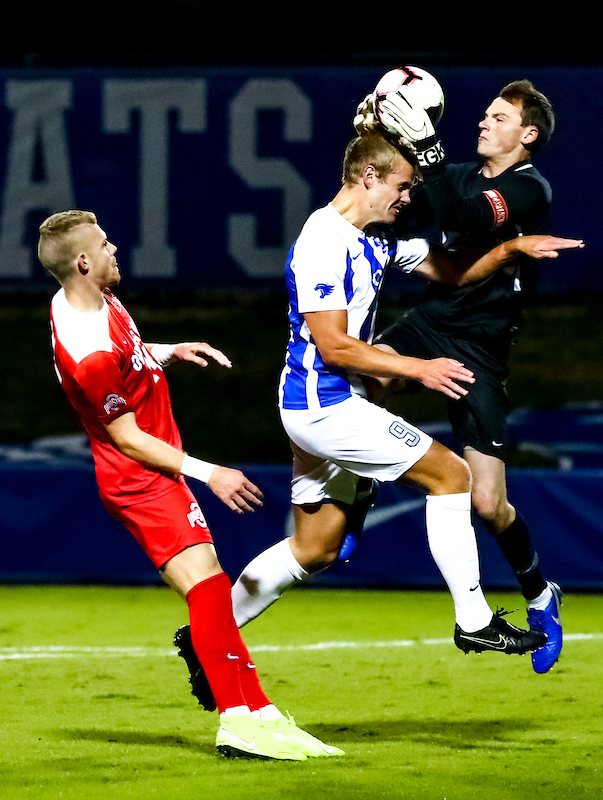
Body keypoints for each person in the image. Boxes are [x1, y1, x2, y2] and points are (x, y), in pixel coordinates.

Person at [217, 122, 581, 655]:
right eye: (403, 187)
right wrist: (420, 368)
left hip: (322, 402)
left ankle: (209, 635)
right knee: (453, 477)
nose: (409, 198)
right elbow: (336, 347)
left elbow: (452, 272)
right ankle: (475, 621)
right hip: (324, 405)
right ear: (369, 178)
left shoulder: (375, 237)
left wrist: (508, 252)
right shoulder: (323, 241)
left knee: (313, 548)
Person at [39, 209, 341, 761]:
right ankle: (239, 720)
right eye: (105, 245)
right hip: (140, 478)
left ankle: (260, 714)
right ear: (82, 262)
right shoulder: (88, 353)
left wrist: (167, 351)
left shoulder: (80, 303)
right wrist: (210, 472)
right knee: (208, 592)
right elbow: (127, 437)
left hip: (149, 474)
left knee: (212, 592)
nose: (115, 250)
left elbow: (126, 356)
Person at [371, 79, 566, 673]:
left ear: (526, 135)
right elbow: (398, 211)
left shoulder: (529, 190)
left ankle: (539, 594)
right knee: (356, 375)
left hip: (481, 349)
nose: (483, 123)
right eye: (483, 114)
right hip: (431, 323)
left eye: (498, 117)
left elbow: (470, 216)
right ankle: (348, 501)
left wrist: (430, 159)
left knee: (488, 502)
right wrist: (376, 141)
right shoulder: (453, 172)